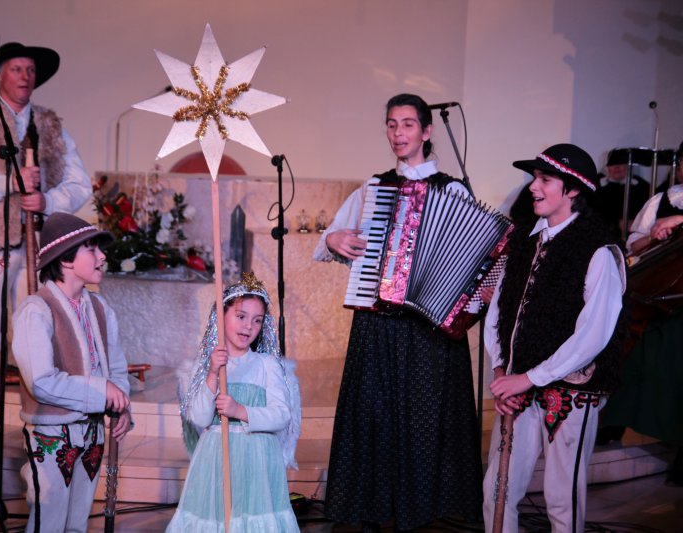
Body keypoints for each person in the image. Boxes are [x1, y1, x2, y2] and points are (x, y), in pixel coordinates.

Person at [313, 93, 482, 531]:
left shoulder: (453, 190)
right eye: (391, 124)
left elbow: (475, 260)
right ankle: (374, 507)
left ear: (427, 131)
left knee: (424, 421)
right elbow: (332, 239)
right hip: (378, 322)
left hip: (428, 329)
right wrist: (333, 240)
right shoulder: (374, 188)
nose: (398, 133)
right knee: (375, 415)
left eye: (407, 124)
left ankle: (422, 509)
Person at [0, 41, 92, 456]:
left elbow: (79, 182)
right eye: (16, 69)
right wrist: (8, 182)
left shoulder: (48, 123)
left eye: (30, 70)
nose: (26, 76)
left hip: (38, 244)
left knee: (39, 329)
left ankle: (41, 416)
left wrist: (47, 200)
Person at [482, 144, 626, 532]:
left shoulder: (599, 252)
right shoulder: (523, 243)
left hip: (570, 394)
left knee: (562, 501)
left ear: (573, 189)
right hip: (517, 388)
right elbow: (499, 313)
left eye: (545, 179)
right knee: (497, 493)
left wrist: (529, 378)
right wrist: (502, 372)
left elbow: (593, 335)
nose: (533, 187)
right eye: (535, 178)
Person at [12, 213, 131, 533]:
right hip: (52, 435)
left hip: (92, 433)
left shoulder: (101, 308)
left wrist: (120, 403)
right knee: (49, 522)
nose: (102, 256)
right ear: (65, 259)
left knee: (78, 522)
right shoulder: (36, 311)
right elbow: (41, 382)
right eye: (91, 249)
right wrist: (102, 391)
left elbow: (116, 367)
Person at [166, 272, 301, 532]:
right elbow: (199, 417)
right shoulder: (206, 365)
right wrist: (212, 374)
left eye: (257, 320)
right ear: (221, 316)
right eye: (241, 316)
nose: (248, 326)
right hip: (216, 459)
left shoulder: (267, 365)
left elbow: (282, 415)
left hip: (257, 462)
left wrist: (240, 410)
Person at [600, 140, 683, 485]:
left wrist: (679, 219)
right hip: (656, 295)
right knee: (633, 357)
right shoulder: (660, 200)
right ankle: (611, 425)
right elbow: (633, 245)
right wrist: (654, 235)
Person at [596, 149, 650, 233]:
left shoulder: (641, 186)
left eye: (620, 162)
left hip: (634, 233)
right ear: (606, 166)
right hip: (604, 233)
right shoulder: (596, 185)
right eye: (612, 163)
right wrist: (616, 224)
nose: (617, 167)